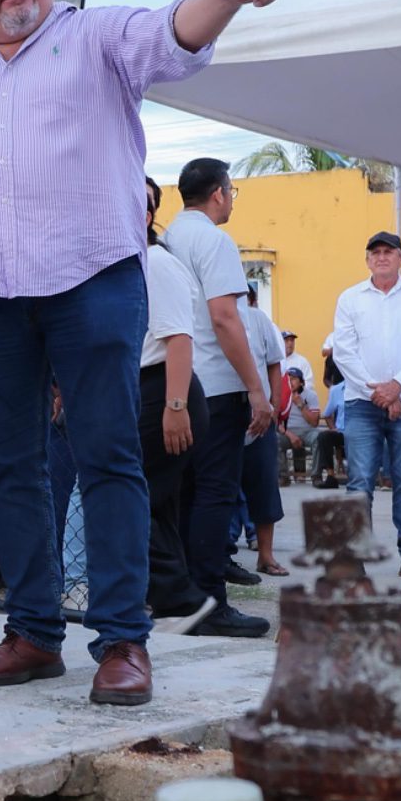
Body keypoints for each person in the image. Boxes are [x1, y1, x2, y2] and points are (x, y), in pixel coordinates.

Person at [0, 0, 282, 707]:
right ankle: (34, 632)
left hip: (93, 282)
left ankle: (122, 639)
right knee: (14, 466)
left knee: (109, 456)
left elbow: (173, 36)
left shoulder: (96, 36)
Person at [156, 159, 278, 637]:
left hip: (175, 381)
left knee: (181, 495)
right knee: (215, 494)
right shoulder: (214, 240)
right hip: (217, 386)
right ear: (219, 194)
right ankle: (209, 601)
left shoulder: (168, 240)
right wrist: (256, 387)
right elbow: (225, 318)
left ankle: (180, 597)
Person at [327, 231, 401, 581]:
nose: (381, 257)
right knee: (359, 481)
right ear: (367, 260)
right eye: (375, 252)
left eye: (388, 252)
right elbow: (344, 352)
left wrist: (397, 388)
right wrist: (378, 392)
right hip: (362, 403)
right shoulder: (350, 298)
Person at [138, 182, 217, 632]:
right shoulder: (135, 263)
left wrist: (174, 405)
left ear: (149, 215)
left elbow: (178, 340)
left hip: (165, 391)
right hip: (154, 390)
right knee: (156, 503)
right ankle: (171, 601)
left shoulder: (156, 263)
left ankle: (179, 599)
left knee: (137, 500)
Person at [236, 283, 291, 579]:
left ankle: (265, 556)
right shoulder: (208, 316)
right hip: (221, 408)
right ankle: (221, 556)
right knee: (218, 487)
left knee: (264, 485)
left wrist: (273, 406)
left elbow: (273, 364)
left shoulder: (258, 321)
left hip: (259, 412)